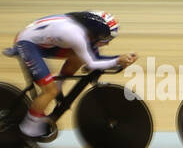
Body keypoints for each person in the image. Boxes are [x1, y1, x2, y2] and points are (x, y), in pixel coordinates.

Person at [10, 11, 138, 139]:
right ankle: (28, 130)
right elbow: (92, 64)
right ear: (97, 32)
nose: (107, 43)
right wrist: (117, 60)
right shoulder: (76, 35)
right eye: (107, 39)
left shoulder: (88, 32)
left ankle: (58, 86)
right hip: (27, 43)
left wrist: (121, 60)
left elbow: (95, 58)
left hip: (42, 39)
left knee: (79, 57)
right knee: (49, 91)